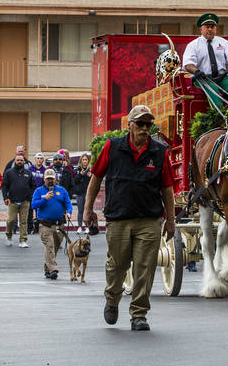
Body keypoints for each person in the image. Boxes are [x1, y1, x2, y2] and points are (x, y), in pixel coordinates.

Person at [84, 105, 174, 331]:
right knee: (117, 266)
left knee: (145, 268)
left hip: (149, 220)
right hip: (118, 219)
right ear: (130, 125)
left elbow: (167, 189)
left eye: (148, 124)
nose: (145, 128)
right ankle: (112, 300)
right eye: (140, 124)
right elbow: (95, 178)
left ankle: (139, 314)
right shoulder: (112, 148)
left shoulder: (159, 152)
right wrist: (87, 210)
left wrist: (171, 219)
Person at [182, 12, 228, 110]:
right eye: (207, 27)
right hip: (203, 78)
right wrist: (197, 71)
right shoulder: (193, 45)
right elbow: (188, 64)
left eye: (212, 26)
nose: (210, 29)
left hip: (222, 77)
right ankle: (219, 117)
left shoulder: (224, 43)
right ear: (201, 29)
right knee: (213, 91)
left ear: (216, 29)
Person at [31, 168, 72, 279]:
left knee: (54, 248)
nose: (50, 181)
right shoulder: (39, 191)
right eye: (48, 179)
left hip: (59, 224)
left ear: (55, 179)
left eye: (52, 179)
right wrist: (45, 199)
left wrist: (69, 212)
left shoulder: (61, 190)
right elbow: (33, 205)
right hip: (45, 224)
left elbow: (68, 203)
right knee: (49, 245)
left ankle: (47, 269)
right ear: (44, 179)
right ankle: (54, 269)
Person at [2, 150, 34, 248]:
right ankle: (9, 235)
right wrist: (5, 197)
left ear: (24, 162)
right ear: (15, 161)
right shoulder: (9, 172)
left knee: (23, 221)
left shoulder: (28, 173)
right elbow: (4, 186)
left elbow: (33, 186)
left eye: (21, 160)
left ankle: (23, 240)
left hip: (25, 201)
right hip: (12, 201)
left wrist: (30, 197)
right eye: (18, 160)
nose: (19, 161)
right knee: (11, 220)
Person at [73, 153, 92, 231]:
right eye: (83, 160)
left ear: (88, 161)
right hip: (79, 193)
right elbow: (74, 181)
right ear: (81, 161)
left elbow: (94, 182)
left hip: (88, 193)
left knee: (87, 210)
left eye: (86, 160)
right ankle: (80, 227)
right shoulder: (77, 170)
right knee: (80, 210)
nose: (85, 161)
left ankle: (87, 226)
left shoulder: (91, 170)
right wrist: (80, 175)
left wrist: (90, 176)